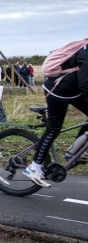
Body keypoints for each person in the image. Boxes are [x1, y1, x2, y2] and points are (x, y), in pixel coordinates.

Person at [23, 42, 88, 187]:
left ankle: (75, 151)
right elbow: (85, 82)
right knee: (54, 128)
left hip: (71, 89)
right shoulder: (86, 51)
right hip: (57, 88)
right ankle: (34, 167)